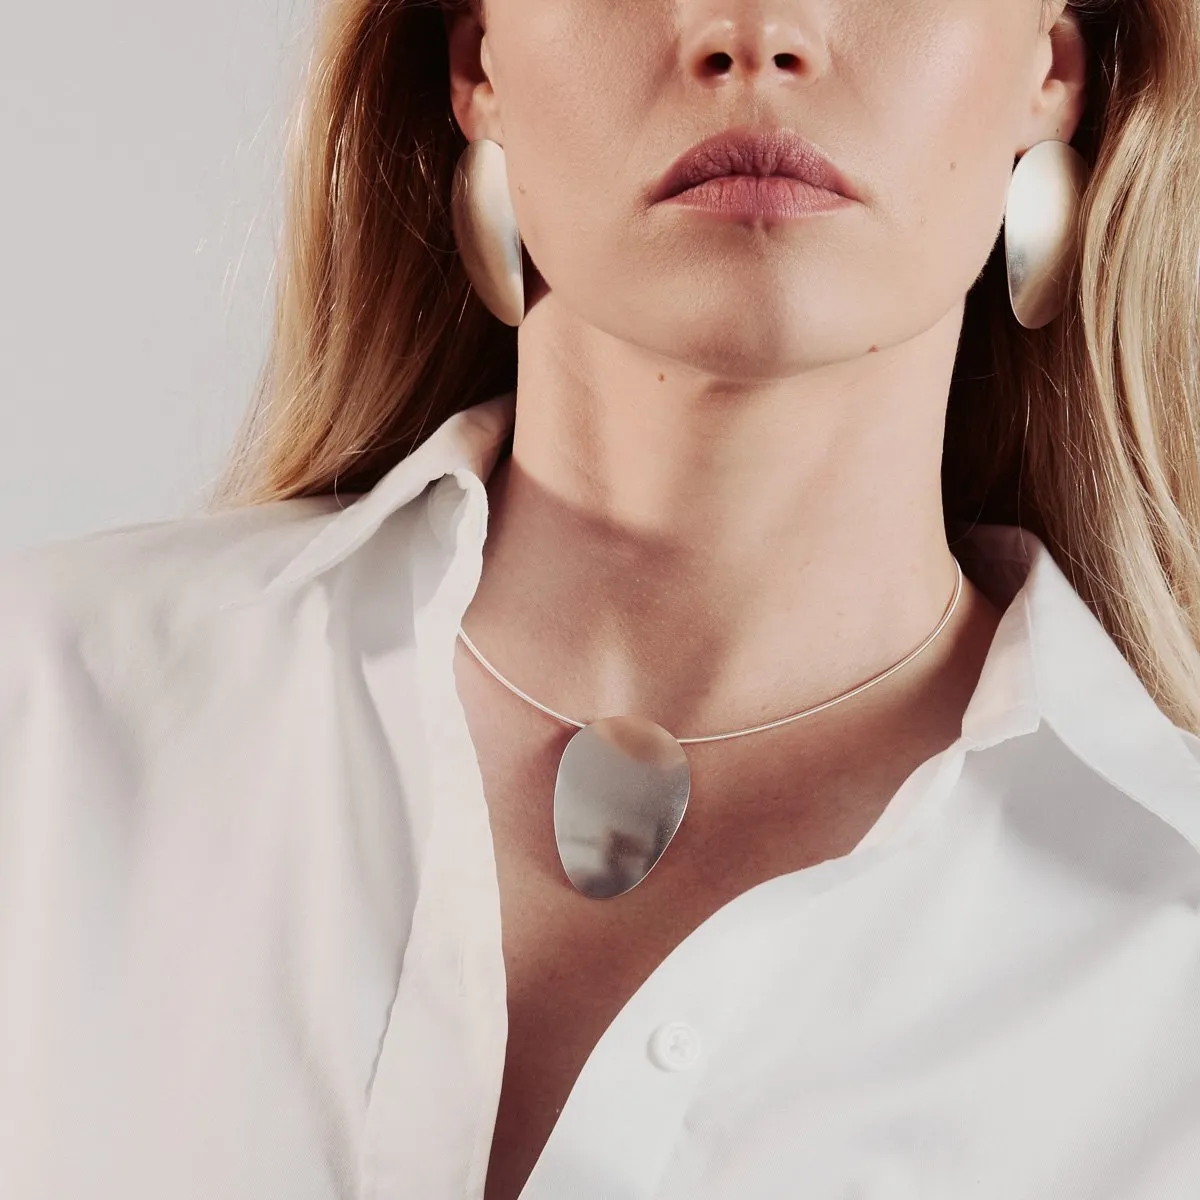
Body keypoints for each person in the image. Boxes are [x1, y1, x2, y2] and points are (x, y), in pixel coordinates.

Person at [3, 0, 1200, 1196]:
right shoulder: (46, 709)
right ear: (478, 60)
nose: (759, 33)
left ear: (1051, 69)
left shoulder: (1169, 966)